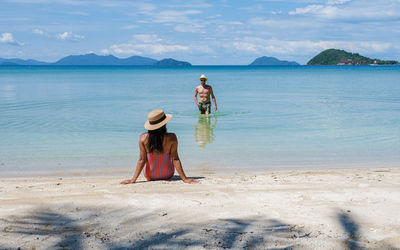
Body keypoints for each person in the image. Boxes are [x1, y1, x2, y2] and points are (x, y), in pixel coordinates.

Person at [121, 109, 197, 184]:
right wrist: (184, 178)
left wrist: (133, 179)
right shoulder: (172, 137)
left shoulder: (143, 138)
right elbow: (175, 159)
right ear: (164, 124)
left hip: (150, 175)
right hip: (168, 174)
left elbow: (142, 160)